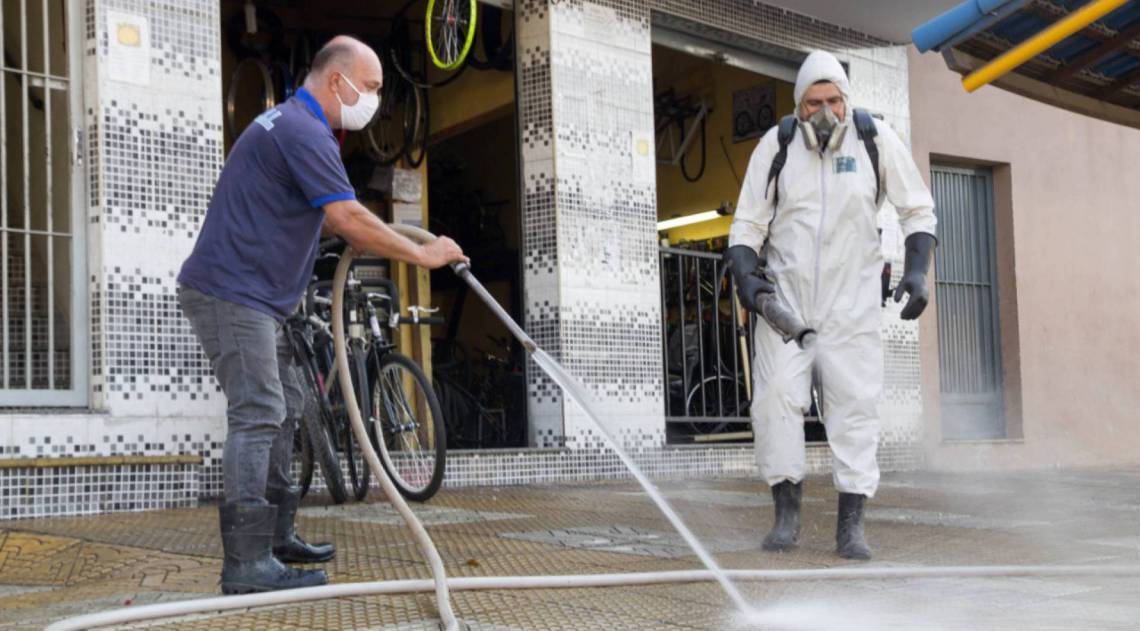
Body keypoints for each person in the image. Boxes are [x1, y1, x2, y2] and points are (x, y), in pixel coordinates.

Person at [177, 35, 467, 594]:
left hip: (260, 297)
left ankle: (276, 536)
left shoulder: (291, 125)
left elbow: (331, 217)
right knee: (259, 411)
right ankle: (245, 563)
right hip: (233, 294)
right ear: (339, 81)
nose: (375, 100)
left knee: (287, 408)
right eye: (374, 87)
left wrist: (347, 230)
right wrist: (423, 254)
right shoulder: (302, 130)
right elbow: (347, 214)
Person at [725, 50, 937, 560]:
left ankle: (851, 526)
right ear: (799, 106)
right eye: (814, 102)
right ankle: (786, 516)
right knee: (775, 401)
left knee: (855, 409)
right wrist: (747, 279)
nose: (825, 111)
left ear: (847, 100)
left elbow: (917, 208)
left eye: (834, 100)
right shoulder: (774, 148)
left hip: (852, 307)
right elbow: (747, 224)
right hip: (788, 307)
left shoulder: (874, 141)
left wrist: (915, 271)